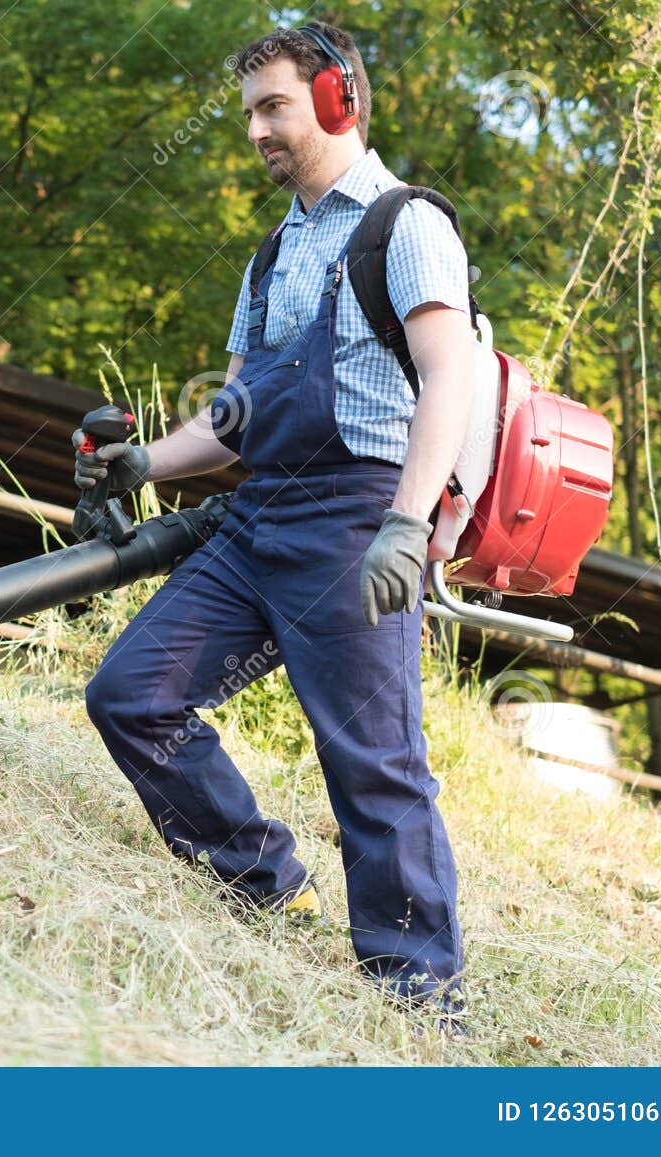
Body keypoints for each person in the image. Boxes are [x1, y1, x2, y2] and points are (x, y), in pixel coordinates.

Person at [76, 20, 479, 1039]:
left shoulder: (405, 225)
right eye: (248, 111)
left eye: (273, 107)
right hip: (261, 517)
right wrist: (147, 462)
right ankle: (261, 879)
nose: (255, 129)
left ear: (336, 98)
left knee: (371, 758)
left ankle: (418, 998)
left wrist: (405, 523)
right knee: (132, 693)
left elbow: (449, 379)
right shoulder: (276, 252)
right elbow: (237, 415)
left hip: (358, 519)